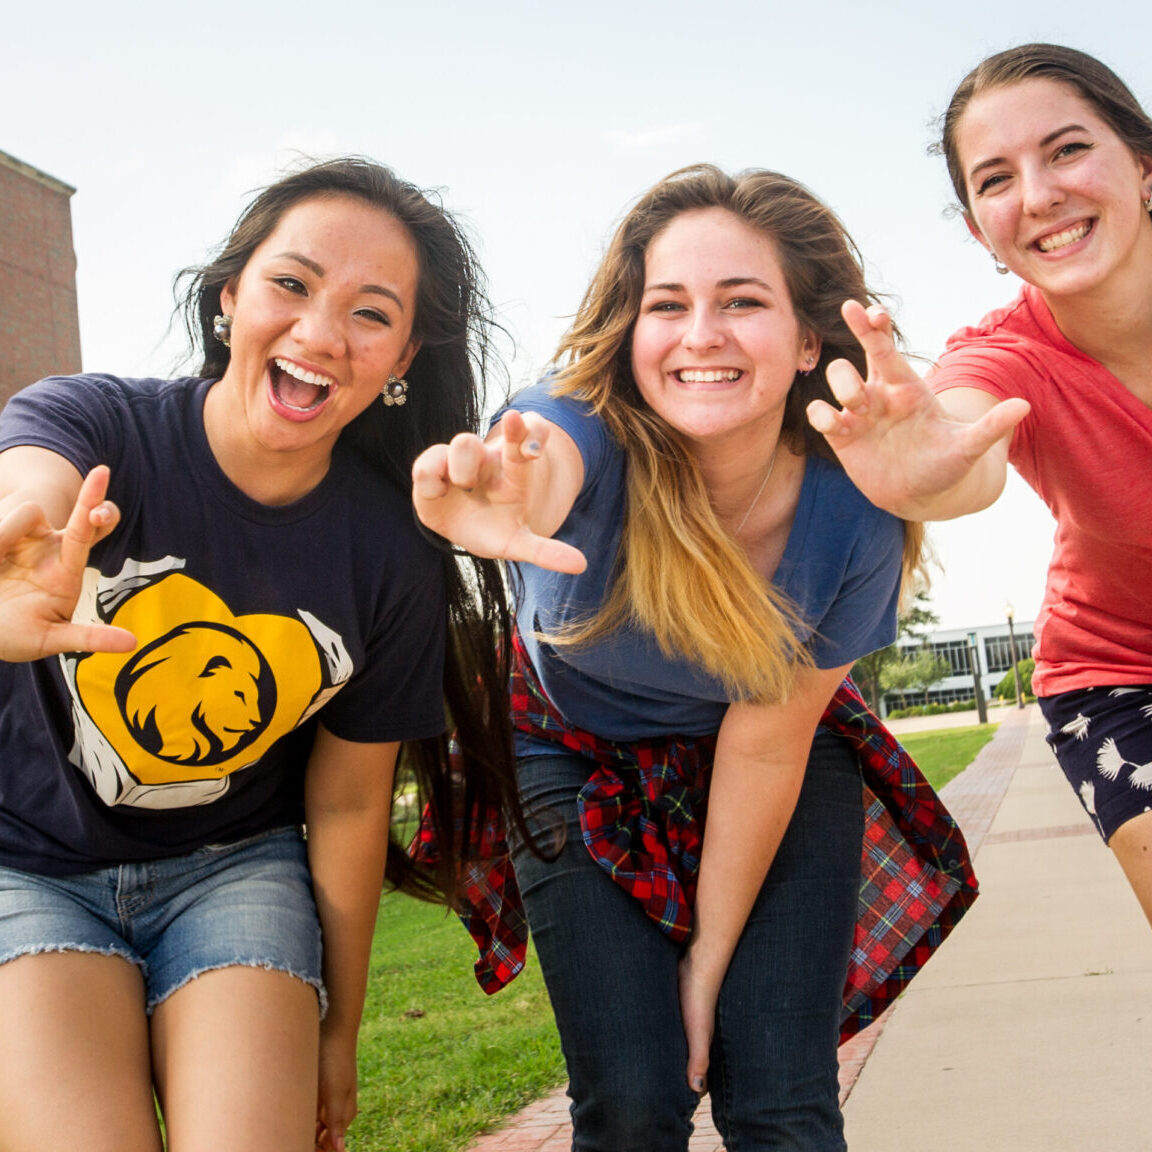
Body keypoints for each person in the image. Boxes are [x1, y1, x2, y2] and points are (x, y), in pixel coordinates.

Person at [413, 164, 977, 1151]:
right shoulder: (573, 426)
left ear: (808, 338)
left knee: (777, 1097)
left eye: (742, 302)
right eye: (667, 304)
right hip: (569, 752)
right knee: (633, 1102)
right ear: (630, 333)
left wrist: (709, 964)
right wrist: (502, 493)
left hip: (769, 762)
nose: (701, 333)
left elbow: (767, 746)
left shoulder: (853, 512)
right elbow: (538, 461)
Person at [0, 157, 523, 1152]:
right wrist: (14, 546)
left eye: (372, 313)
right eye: (291, 284)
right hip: (26, 868)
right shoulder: (95, 421)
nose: (322, 333)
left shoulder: (389, 553)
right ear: (229, 296)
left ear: (405, 354)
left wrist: (338, 1028)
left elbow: (349, 801)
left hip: (231, 873)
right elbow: (27, 482)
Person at [807, 42, 1152, 930]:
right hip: (1124, 676)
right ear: (978, 230)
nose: (1038, 196)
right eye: (995, 179)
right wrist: (925, 470)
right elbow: (961, 440)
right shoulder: (1005, 355)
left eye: (1068, 150)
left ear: (1143, 164)